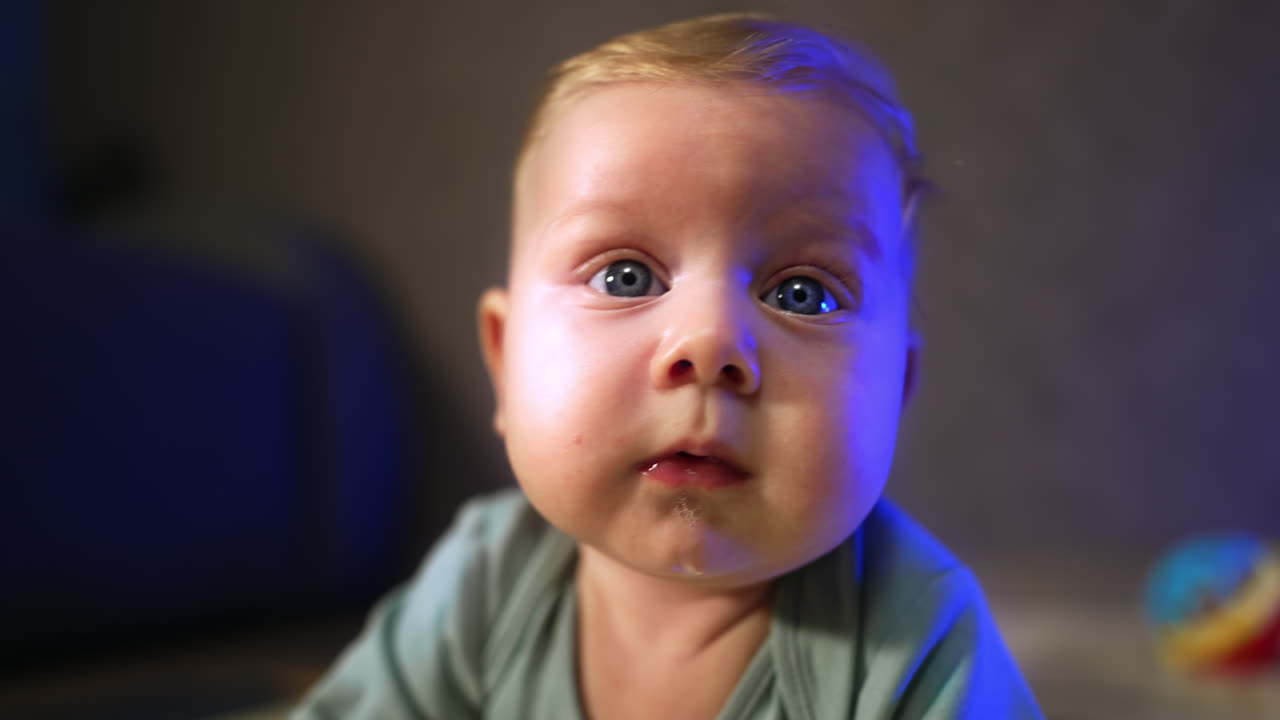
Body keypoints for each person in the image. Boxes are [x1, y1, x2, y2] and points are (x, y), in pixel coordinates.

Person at [293, 12, 1043, 719]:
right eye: (625, 277)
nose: (709, 343)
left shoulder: (913, 641)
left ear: (897, 394)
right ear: (503, 361)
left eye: (803, 294)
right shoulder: (484, 581)